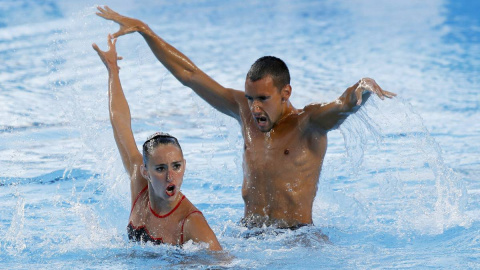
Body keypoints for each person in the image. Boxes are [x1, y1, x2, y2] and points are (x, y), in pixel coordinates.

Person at [96, 6, 396, 230]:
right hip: (249, 234)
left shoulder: (309, 124)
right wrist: (146, 32)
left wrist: (363, 87)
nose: (254, 108)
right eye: (250, 98)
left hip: (297, 239)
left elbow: (343, 104)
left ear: (285, 92)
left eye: (263, 99)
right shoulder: (244, 112)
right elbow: (190, 74)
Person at [92, 35, 222, 250]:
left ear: (184, 165)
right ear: (145, 172)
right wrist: (113, 70)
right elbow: (120, 123)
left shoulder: (192, 223)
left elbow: (224, 264)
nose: (171, 176)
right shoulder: (138, 184)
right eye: (160, 169)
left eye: (176, 166)